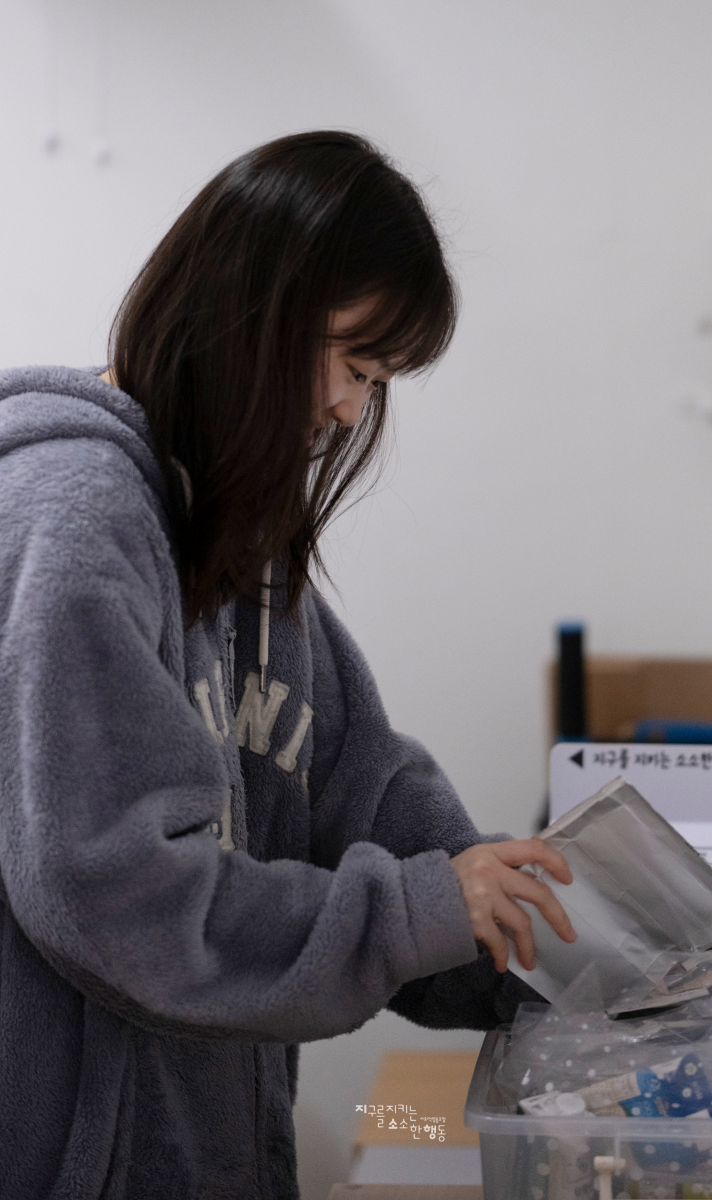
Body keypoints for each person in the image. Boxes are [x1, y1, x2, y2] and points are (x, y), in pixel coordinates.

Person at [0, 131, 576, 1199]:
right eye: (353, 365)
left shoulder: (235, 534)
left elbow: (360, 791)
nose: (352, 411)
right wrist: (418, 907)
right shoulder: (74, 524)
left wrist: (543, 945)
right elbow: (117, 897)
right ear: (250, 311)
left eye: (377, 380)